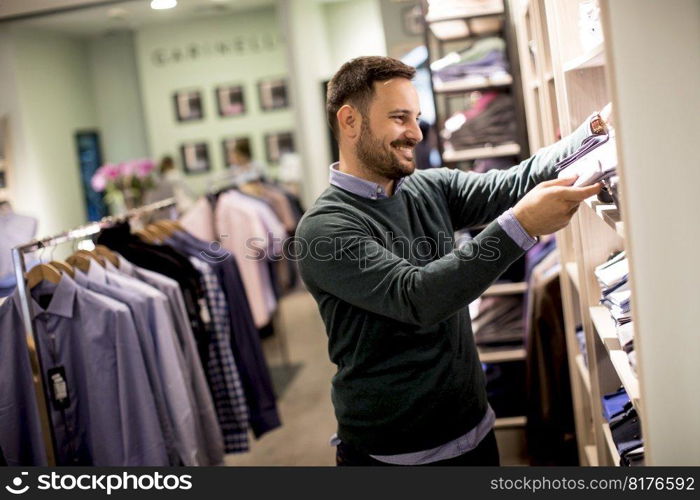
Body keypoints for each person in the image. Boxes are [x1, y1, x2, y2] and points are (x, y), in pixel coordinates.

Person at [295, 56, 609, 466]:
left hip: (475, 431)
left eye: (416, 117)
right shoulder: (324, 229)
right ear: (350, 121)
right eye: (399, 117)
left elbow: (513, 182)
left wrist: (598, 127)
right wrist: (522, 225)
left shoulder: (428, 186)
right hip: (396, 456)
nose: (415, 132)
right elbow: (418, 297)